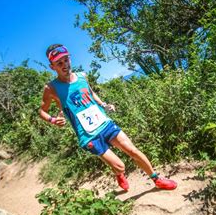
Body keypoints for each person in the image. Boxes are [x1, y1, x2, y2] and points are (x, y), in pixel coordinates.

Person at [39, 44, 177, 191]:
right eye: (59, 63)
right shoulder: (51, 88)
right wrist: (53, 120)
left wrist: (104, 105)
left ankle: (157, 179)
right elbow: (42, 111)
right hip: (88, 136)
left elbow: (90, 93)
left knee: (132, 151)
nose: (65, 65)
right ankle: (119, 174)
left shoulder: (82, 76)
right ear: (52, 66)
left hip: (104, 123)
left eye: (66, 60)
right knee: (120, 166)